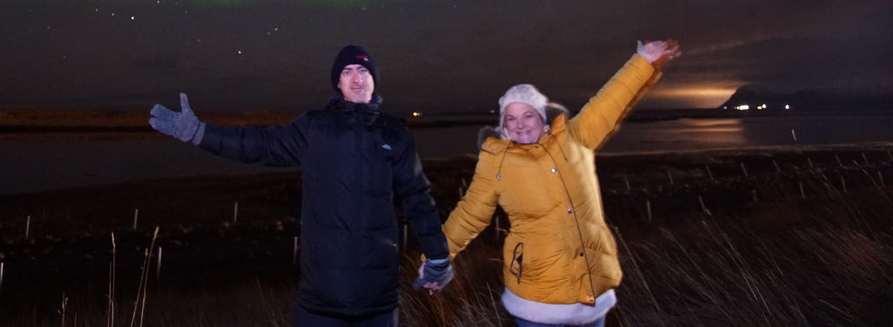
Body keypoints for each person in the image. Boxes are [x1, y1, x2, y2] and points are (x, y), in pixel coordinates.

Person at [150, 44, 454, 327]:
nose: (356, 78)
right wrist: (198, 132)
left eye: (363, 71)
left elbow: (418, 198)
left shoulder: (395, 133)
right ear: (338, 83)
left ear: (374, 79)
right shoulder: (315, 126)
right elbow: (260, 144)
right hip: (320, 302)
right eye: (347, 72)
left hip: (379, 303)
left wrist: (438, 258)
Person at [420, 39, 681, 327]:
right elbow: (469, 215)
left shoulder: (575, 138)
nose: (520, 124)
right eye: (511, 119)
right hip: (537, 299)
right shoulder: (497, 162)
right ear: (504, 128)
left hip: (592, 293)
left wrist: (643, 60)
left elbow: (610, 102)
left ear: (542, 119)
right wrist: (434, 260)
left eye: (527, 115)